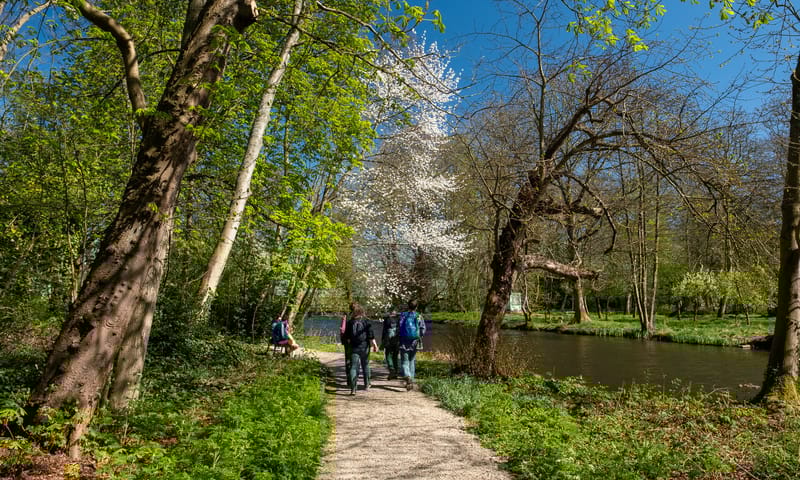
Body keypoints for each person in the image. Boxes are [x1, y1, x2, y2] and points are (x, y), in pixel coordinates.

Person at [342, 302, 378, 395]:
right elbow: (371, 335)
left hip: (354, 347)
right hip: (364, 347)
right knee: (365, 365)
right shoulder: (366, 322)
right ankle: (367, 384)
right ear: (361, 311)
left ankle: (353, 388)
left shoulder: (350, 322)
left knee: (354, 367)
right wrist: (374, 345)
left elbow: (347, 337)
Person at [398, 300, 425, 390]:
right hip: (414, 341)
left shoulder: (403, 315)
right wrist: (419, 337)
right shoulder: (419, 316)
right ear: (416, 307)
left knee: (404, 361)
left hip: (403, 340)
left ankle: (407, 376)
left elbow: (399, 327)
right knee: (412, 360)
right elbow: (422, 329)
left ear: (408, 306)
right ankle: (411, 381)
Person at [380, 309, 400, 379]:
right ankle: (396, 372)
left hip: (388, 340)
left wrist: (383, 339)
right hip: (397, 340)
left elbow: (384, 330)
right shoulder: (399, 319)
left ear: (390, 313)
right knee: (395, 356)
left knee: (388, 355)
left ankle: (391, 370)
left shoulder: (387, 319)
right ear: (396, 313)